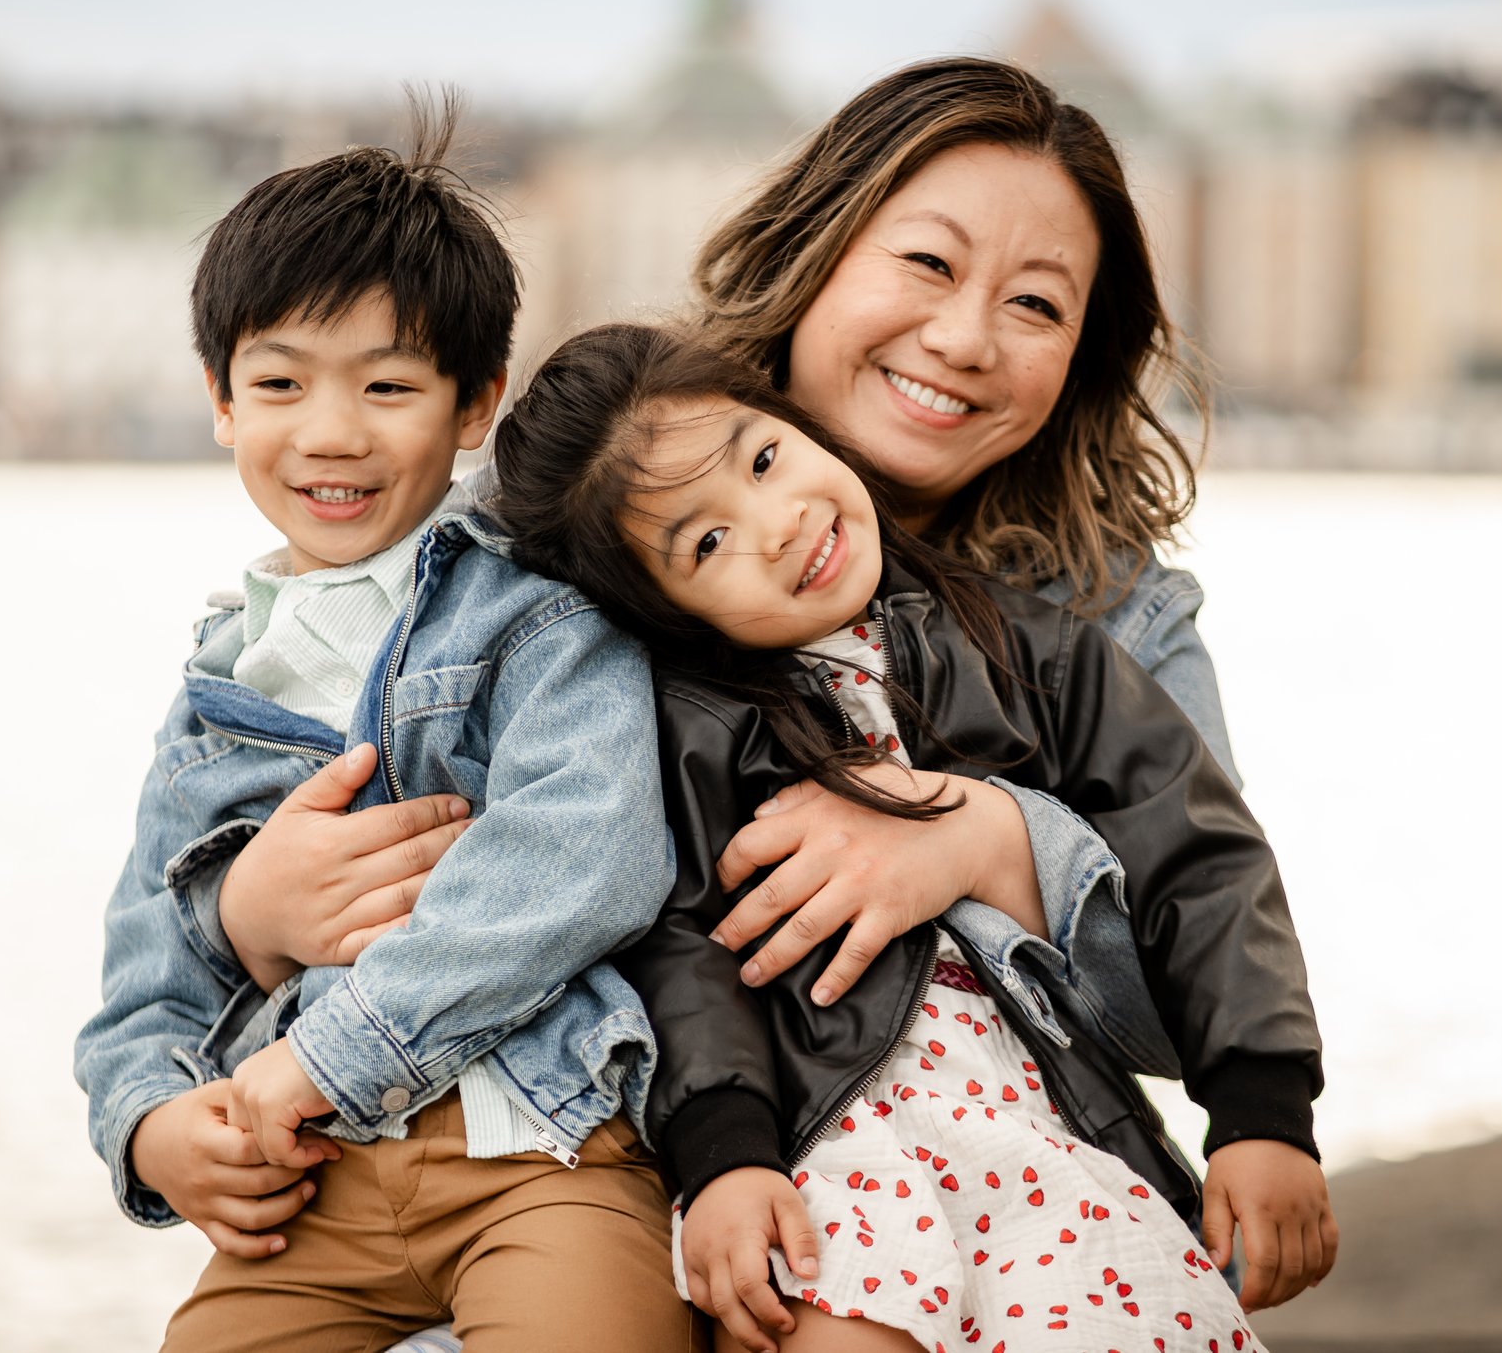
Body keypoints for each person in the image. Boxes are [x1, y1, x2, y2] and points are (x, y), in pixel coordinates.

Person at [211, 57, 1335, 1312]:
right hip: (636, 1210)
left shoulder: (1104, 620)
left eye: (1036, 304)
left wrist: (988, 836)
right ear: (818, 250)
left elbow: (1197, 957)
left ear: (1080, 353)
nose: (964, 338)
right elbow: (344, 789)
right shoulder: (570, 534)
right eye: (925, 264)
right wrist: (242, 911)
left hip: (1031, 1181)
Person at [486, 321, 1319, 1353]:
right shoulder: (692, 733)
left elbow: (1197, 853)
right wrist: (726, 1154)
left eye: (761, 457)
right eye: (705, 542)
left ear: (797, 423)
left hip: (1044, 1120)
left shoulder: (1032, 651)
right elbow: (686, 946)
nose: (777, 522)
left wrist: (1260, 1106)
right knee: (837, 1314)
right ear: (663, 610)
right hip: (836, 1135)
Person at [71, 108, 693, 1353]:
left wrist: (332, 1056)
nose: (332, 430)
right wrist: (154, 1129)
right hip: (316, 1195)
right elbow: (145, 974)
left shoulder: (535, 614)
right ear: (220, 400)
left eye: (389, 385)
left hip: (539, 1146)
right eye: (281, 381)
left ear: (476, 406)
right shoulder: (216, 684)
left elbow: (588, 855)